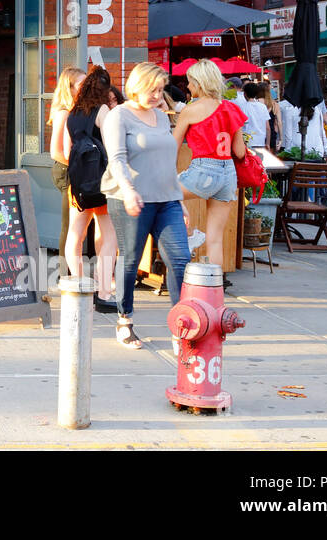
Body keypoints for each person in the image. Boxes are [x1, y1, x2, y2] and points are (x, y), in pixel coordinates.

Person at [101, 62, 191, 350]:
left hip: (166, 200)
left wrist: (179, 199)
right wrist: (128, 191)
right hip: (131, 198)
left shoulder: (162, 117)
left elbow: (167, 162)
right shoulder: (119, 116)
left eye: (161, 89)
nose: (157, 95)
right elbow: (116, 158)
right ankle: (124, 320)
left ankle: (181, 327)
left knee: (180, 261)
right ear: (136, 86)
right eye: (152, 89)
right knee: (130, 260)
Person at [173, 60, 247, 274]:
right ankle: (215, 287)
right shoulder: (232, 109)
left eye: (189, 82)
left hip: (204, 169)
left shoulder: (191, 110)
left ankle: (190, 236)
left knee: (162, 193)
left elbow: (172, 147)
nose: (187, 87)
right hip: (228, 175)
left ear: (199, 83)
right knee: (215, 239)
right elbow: (240, 152)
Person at [63, 67, 117, 311]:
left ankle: (77, 285)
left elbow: (66, 153)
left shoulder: (72, 115)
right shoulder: (102, 110)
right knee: (109, 236)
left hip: (79, 184)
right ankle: (104, 292)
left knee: (76, 235)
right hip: (102, 182)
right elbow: (112, 147)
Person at [49, 66, 86, 259]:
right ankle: (66, 274)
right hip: (67, 171)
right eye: (82, 84)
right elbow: (55, 151)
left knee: (76, 224)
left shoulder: (77, 110)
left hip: (74, 170)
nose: (87, 86)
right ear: (69, 87)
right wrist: (82, 167)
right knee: (70, 224)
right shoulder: (63, 112)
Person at [238, 82, 272, 150]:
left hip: (247, 142)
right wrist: (268, 143)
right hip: (260, 141)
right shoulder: (263, 107)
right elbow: (267, 127)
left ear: (245, 94)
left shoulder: (242, 107)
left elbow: (239, 127)